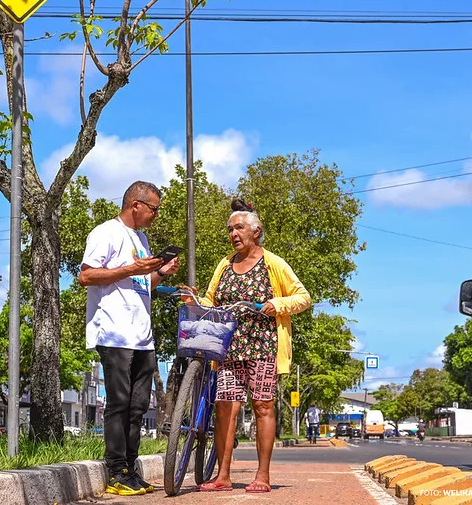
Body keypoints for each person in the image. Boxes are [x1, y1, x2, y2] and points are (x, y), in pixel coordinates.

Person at [183, 199, 311, 493]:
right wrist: (194, 300)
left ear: (256, 231)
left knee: (263, 406)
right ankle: (223, 475)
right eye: (230, 230)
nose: (233, 234)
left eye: (238, 228)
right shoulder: (225, 264)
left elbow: (303, 297)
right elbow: (211, 301)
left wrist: (275, 304)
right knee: (225, 407)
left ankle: (262, 476)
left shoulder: (273, 263)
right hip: (228, 347)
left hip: (264, 346)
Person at [79, 181, 180, 496]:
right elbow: (86, 275)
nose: (156, 215)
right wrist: (130, 268)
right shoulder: (105, 233)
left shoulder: (142, 238)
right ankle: (115, 469)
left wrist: (160, 272)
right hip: (114, 331)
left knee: (138, 406)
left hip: (142, 336)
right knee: (119, 403)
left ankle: (131, 470)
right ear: (136, 204)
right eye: (154, 209)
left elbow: (141, 281)